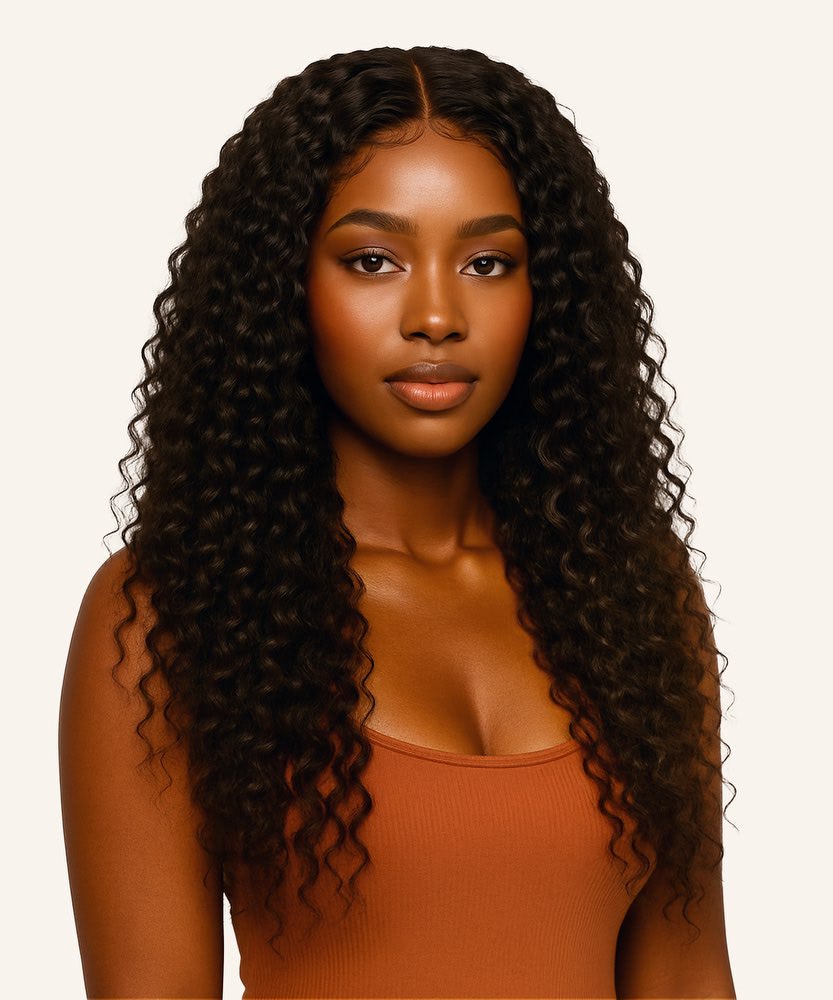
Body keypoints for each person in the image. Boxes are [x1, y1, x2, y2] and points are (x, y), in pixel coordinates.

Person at [58, 45, 736, 999]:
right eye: (372, 260)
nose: (436, 315)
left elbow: (687, 977)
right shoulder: (170, 616)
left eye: (487, 262)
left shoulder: (632, 595)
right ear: (285, 285)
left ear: (545, 294)